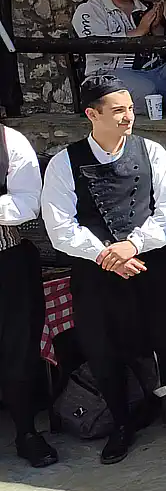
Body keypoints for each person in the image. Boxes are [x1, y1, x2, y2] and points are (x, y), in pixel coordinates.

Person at [41, 75, 166, 464]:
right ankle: (120, 424)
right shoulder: (64, 164)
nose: (127, 117)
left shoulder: (152, 152)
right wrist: (105, 255)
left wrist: (132, 245)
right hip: (96, 274)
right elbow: (60, 226)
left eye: (130, 109)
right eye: (118, 111)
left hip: (152, 265)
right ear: (91, 114)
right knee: (103, 351)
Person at [0, 123, 58, 468]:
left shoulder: (10, 141)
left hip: (7, 262)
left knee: (18, 350)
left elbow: (28, 203)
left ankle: (26, 432)